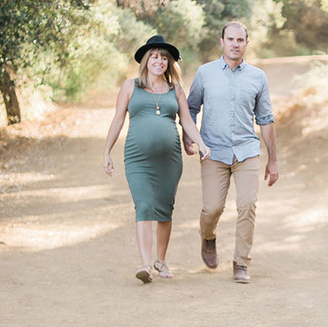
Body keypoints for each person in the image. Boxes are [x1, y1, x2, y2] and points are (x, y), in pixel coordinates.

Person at [103, 35, 210, 284]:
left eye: (164, 57)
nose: (159, 61)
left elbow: (186, 121)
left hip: (169, 161)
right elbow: (118, 120)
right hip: (137, 159)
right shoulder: (130, 86)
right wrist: (107, 151)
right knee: (143, 206)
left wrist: (202, 143)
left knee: (164, 210)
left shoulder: (176, 89)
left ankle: (160, 261)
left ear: (169, 62)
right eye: (154, 57)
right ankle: (145, 265)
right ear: (146, 61)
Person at [184, 20, 279, 283]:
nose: (235, 44)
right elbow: (191, 108)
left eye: (240, 40)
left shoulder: (258, 77)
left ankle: (241, 263)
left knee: (247, 205)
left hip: (246, 151)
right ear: (222, 42)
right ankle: (208, 237)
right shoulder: (205, 73)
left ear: (246, 43)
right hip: (212, 152)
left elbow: (266, 119)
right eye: (230, 39)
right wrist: (187, 136)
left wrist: (273, 160)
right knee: (212, 208)